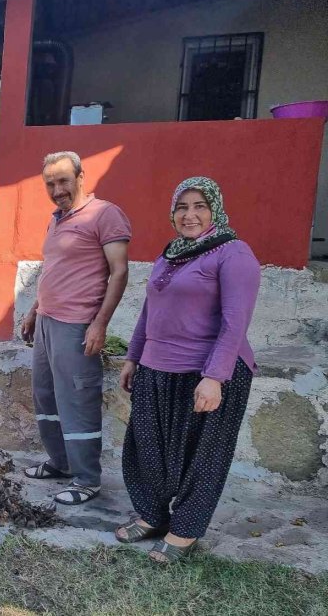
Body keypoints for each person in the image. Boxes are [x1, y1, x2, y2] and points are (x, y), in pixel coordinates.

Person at [115, 176, 260, 563]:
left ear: (215, 209)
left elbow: (236, 322)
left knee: (202, 457)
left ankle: (185, 530)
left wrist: (214, 377)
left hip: (207, 372)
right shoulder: (171, 254)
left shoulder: (234, 253)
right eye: (182, 206)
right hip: (156, 368)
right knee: (148, 450)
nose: (189, 215)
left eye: (200, 206)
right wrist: (133, 356)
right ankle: (152, 515)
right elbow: (150, 311)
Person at [21, 151, 130, 505]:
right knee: (47, 395)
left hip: (77, 325)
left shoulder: (105, 214)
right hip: (47, 322)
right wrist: (34, 310)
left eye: (63, 181)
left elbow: (119, 271)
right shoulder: (57, 219)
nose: (57, 190)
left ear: (82, 177)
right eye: (50, 184)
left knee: (77, 400)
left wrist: (100, 324)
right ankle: (62, 463)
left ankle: (87, 479)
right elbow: (54, 269)